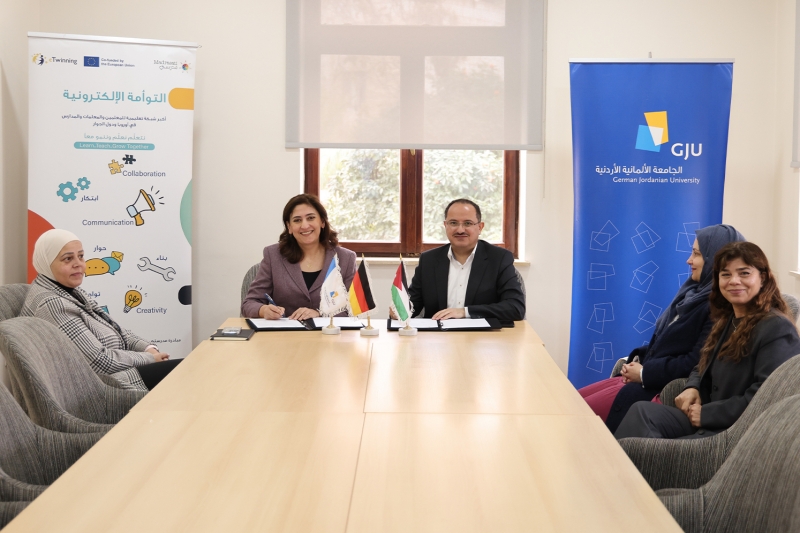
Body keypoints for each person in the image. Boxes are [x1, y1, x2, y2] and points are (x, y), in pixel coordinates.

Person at [615, 241, 800, 439]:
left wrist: (707, 414)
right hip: (705, 419)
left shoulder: (777, 328)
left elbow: (767, 397)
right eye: (726, 274)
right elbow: (702, 363)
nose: (734, 281)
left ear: (762, 278)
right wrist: (692, 386)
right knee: (641, 412)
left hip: (733, 433)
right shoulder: (727, 319)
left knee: (640, 443)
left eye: (744, 273)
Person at [579, 224, 745, 433]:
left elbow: (694, 362)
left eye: (696, 254)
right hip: (641, 380)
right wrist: (640, 360)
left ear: (715, 260)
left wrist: (645, 373)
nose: (689, 260)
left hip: (655, 390)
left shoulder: (718, 308)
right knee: (568, 402)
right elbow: (667, 344)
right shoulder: (691, 294)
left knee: (573, 416)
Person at [21, 229, 180, 391]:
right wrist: (150, 359)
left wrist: (149, 349)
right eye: (68, 258)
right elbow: (99, 362)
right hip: (99, 387)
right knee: (186, 373)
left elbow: (117, 330)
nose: (78, 264)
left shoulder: (71, 291)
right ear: (46, 262)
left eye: (81, 256)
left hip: (116, 373)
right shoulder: (52, 304)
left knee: (187, 371)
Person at [406, 198, 525, 321]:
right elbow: (412, 305)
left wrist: (465, 312)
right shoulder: (429, 260)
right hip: (439, 331)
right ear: (445, 225)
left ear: (480, 227)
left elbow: (515, 308)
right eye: (453, 223)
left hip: (481, 332)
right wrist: (400, 311)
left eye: (468, 223)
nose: (460, 230)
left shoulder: (499, 258)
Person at [241, 194, 356, 320]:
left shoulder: (346, 258)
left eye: (311, 218)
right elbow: (249, 303)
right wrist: (263, 310)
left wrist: (319, 313)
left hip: (329, 331)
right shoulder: (273, 255)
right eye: (297, 220)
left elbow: (353, 309)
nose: (305, 226)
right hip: (284, 332)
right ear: (289, 227)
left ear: (322, 222)